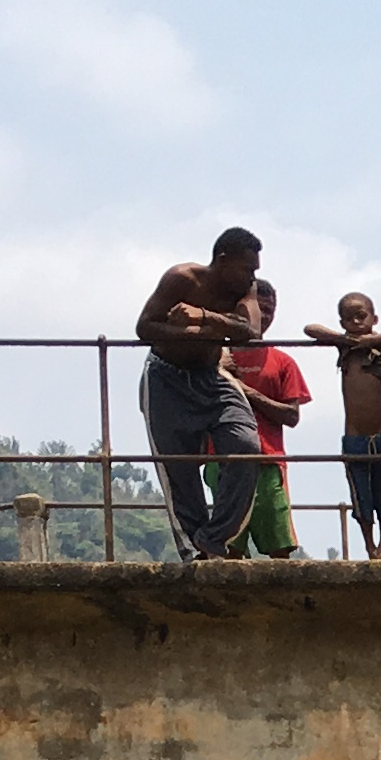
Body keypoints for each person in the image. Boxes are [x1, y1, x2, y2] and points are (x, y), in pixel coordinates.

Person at [128, 224, 266, 561]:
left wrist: (204, 317)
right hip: (166, 378)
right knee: (179, 470)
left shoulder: (244, 291)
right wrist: (189, 332)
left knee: (246, 447)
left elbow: (251, 332)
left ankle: (214, 537)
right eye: (247, 267)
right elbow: (144, 326)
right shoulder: (182, 279)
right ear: (223, 260)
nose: (252, 276)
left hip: (211, 376)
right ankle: (195, 552)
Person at [314, 288, 381, 558]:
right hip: (354, 436)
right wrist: (343, 338)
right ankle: (369, 545)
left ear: (374, 317)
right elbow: (311, 329)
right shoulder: (345, 348)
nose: (356, 323)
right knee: (361, 497)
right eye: (349, 319)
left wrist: (372, 341)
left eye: (361, 316)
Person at [220, 278, 312, 557]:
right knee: (227, 543)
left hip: (269, 460)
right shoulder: (215, 357)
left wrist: (244, 390)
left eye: (269, 311)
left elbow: (292, 416)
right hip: (223, 458)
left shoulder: (282, 361)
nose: (263, 317)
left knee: (278, 544)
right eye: (258, 309)